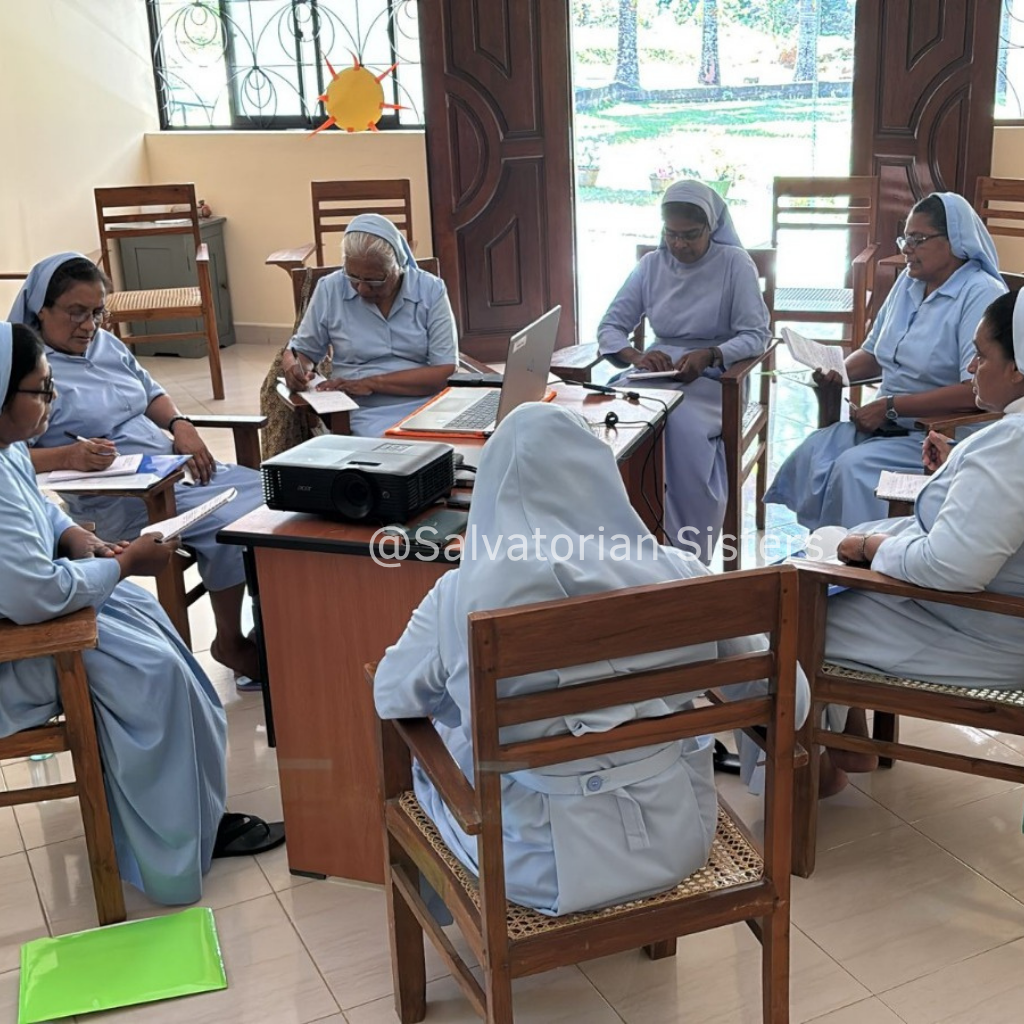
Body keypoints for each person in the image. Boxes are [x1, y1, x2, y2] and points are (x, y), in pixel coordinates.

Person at [373, 403, 807, 916]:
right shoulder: (679, 573)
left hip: (534, 866)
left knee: (441, 754)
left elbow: (392, 696)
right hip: (680, 836)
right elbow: (793, 703)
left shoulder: (461, 596)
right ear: (601, 476)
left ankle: (456, 927)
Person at [0, 322, 283, 905]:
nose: (53, 399)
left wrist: (76, 536)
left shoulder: (7, 450)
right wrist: (127, 563)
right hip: (22, 653)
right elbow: (35, 595)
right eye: (41, 389)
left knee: (161, 639)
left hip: (47, 616)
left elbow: (42, 511)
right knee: (154, 675)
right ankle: (168, 848)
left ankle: (197, 816)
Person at [9, 253, 265, 688]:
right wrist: (68, 456)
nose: (89, 325)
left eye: (97, 313)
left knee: (272, 500)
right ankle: (230, 642)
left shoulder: (105, 345)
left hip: (172, 468)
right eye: (76, 312)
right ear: (41, 310)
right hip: (125, 498)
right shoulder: (29, 372)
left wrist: (180, 425)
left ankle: (272, 623)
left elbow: (151, 392)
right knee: (232, 526)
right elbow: (10, 457)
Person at [819, 289, 1024, 795]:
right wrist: (959, 469)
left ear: (1018, 369)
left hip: (978, 631)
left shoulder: (1011, 445)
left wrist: (870, 550)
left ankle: (809, 769)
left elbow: (951, 569)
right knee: (833, 558)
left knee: (780, 615)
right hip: (985, 613)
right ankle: (846, 737)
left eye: (982, 355)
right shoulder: (1007, 445)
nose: (971, 366)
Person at [765, 192, 1007, 530]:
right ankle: (828, 545)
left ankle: (863, 553)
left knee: (852, 468)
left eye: (918, 239)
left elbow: (975, 389)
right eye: (905, 239)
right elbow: (875, 353)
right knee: (815, 452)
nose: (907, 249)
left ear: (954, 241)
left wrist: (892, 406)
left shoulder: (980, 292)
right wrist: (838, 371)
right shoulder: (908, 282)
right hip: (889, 424)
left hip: (940, 435)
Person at [597, 180, 771, 563]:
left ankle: (683, 553)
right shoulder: (651, 266)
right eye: (671, 234)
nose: (679, 244)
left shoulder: (734, 264)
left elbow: (756, 335)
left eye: (690, 235)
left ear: (711, 227)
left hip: (716, 379)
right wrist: (637, 356)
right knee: (617, 422)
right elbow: (610, 327)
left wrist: (711, 354)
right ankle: (627, 539)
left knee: (678, 427)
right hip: (654, 377)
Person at [280, 213, 458, 437]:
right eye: (353, 277)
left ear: (398, 267)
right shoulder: (331, 289)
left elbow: (445, 371)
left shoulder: (430, 290)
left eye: (375, 280)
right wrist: (295, 369)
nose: (362, 289)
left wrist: (372, 383)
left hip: (428, 404)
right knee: (388, 448)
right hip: (360, 410)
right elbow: (302, 351)